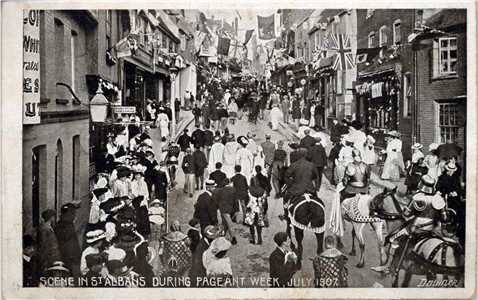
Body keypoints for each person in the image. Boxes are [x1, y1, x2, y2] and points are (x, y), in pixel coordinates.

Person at [55, 203, 82, 277]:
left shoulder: (68, 224)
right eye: (73, 213)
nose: (75, 215)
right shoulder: (62, 225)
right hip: (68, 259)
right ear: (68, 213)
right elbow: (65, 243)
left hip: (72, 259)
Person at [217, 179, 239, 245]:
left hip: (223, 209)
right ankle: (226, 236)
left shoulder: (221, 190)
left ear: (224, 183)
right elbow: (236, 201)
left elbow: (218, 200)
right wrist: (236, 210)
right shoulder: (233, 189)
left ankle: (232, 237)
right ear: (229, 183)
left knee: (227, 223)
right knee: (227, 223)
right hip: (231, 209)